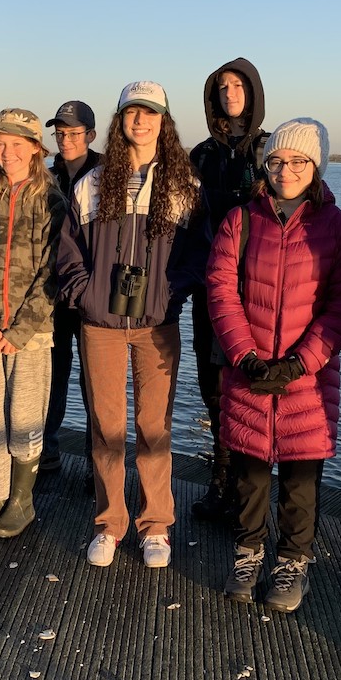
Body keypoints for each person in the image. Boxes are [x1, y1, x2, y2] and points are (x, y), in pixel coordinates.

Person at [206, 118, 341, 613]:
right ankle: (249, 552)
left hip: (307, 380)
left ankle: (293, 561)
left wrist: (302, 362)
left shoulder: (336, 227)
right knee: (249, 473)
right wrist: (245, 357)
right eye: (277, 160)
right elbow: (220, 290)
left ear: (315, 166)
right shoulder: (241, 220)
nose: (286, 170)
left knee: (300, 480)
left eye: (298, 161)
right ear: (266, 166)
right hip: (248, 370)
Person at [56, 81, 207, 569]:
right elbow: (69, 249)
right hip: (100, 323)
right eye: (131, 113)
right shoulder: (94, 183)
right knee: (105, 424)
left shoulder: (184, 185)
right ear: (119, 121)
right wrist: (84, 291)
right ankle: (109, 522)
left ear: (165, 122)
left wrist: (168, 292)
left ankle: (156, 523)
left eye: (150, 113)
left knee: (153, 424)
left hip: (155, 323)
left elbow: (198, 255)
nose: (140, 121)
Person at [0, 109, 67, 537]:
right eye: (0, 144)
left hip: (31, 333)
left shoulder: (52, 201)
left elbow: (52, 274)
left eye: (17, 144)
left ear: (36, 149)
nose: (7, 152)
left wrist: (20, 331)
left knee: (23, 415)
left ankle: (22, 501)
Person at [189, 58, 270, 522]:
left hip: (257, 288)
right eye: (222, 86)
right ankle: (219, 484)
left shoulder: (270, 150)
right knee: (213, 388)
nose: (230, 92)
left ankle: (246, 491)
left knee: (250, 387)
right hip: (209, 286)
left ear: (253, 92)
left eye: (238, 85)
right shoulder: (201, 155)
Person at [41, 101, 102, 479]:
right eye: (60, 133)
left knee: (95, 379)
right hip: (53, 294)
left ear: (90, 135)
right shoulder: (47, 178)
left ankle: (99, 461)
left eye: (73, 133)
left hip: (93, 293)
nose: (65, 140)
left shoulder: (108, 176)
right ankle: (47, 448)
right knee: (53, 372)